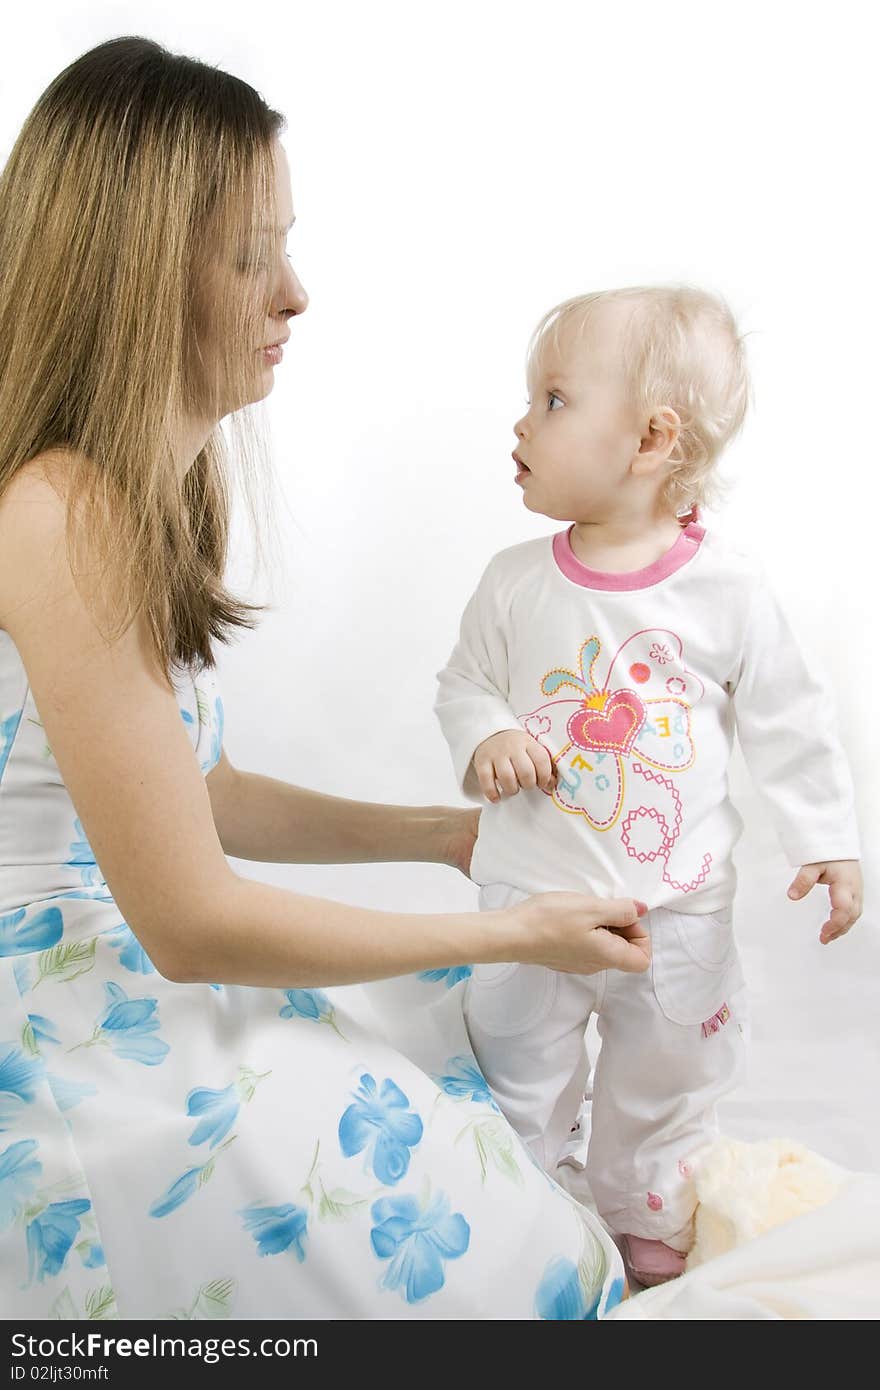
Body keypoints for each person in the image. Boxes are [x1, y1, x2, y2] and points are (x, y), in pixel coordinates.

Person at [0, 36, 657, 1321]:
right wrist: (512, 927)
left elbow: (202, 787)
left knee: (478, 1166)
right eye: (251, 256)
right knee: (483, 1247)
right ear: (137, 273)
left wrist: (452, 836)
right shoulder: (57, 511)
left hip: (122, 957)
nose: (294, 294)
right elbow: (189, 925)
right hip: (63, 1017)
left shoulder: (127, 494)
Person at [434, 284, 864, 1288]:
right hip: (529, 903)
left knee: (666, 1071)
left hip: (674, 907)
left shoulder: (727, 589)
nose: (518, 420)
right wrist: (489, 730)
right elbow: (463, 682)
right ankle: (521, 1206)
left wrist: (825, 838)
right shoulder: (513, 581)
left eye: (550, 399)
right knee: (516, 1057)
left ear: (649, 439)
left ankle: (646, 1210)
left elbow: (787, 716)